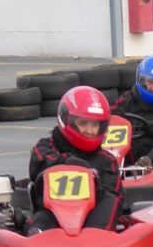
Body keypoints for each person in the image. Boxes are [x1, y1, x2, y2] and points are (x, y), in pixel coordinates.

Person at [27, 85, 122, 234]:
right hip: (52, 216)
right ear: (67, 120)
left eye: (95, 125)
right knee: (42, 217)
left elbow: (112, 198)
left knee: (111, 201)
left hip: (92, 220)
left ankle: (97, 242)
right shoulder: (45, 147)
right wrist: (70, 164)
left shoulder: (106, 161)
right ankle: (38, 242)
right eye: (83, 123)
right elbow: (41, 164)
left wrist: (93, 182)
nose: (89, 131)